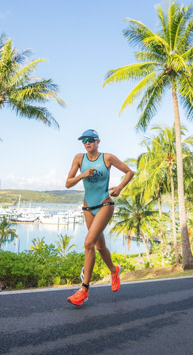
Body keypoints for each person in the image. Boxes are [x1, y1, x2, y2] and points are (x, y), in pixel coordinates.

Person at [65, 129, 134, 306]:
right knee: (100, 246)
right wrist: (82, 174)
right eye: (84, 141)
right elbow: (67, 183)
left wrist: (119, 188)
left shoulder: (107, 158)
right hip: (88, 206)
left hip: (105, 203)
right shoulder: (79, 158)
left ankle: (84, 289)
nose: (87, 143)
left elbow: (129, 172)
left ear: (98, 141)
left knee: (88, 243)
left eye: (90, 140)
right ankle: (114, 270)